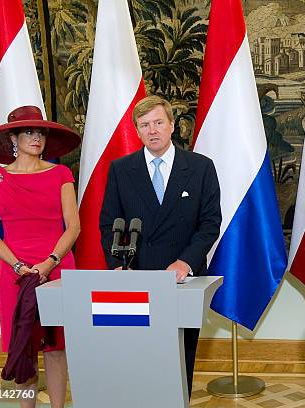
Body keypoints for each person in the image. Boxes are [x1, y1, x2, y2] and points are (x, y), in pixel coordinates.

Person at [99, 95, 221, 395]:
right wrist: (118, 264)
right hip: (134, 280)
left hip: (182, 280)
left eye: (158, 123)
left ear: (171, 125)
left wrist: (186, 262)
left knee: (180, 357)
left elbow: (209, 224)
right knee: (137, 358)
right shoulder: (120, 169)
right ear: (137, 131)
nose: (152, 130)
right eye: (144, 125)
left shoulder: (200, 167)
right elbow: (108, 223)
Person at [0, 105, 81, 408]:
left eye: (41, 132)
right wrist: (19, 265)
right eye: (28, 131)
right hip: (13, 271)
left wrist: (49, 262)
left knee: (55, 345)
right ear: (13, 137)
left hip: (57, 266)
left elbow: (73, 226)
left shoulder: (61, 173)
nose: (36, 137)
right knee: (23, 345)